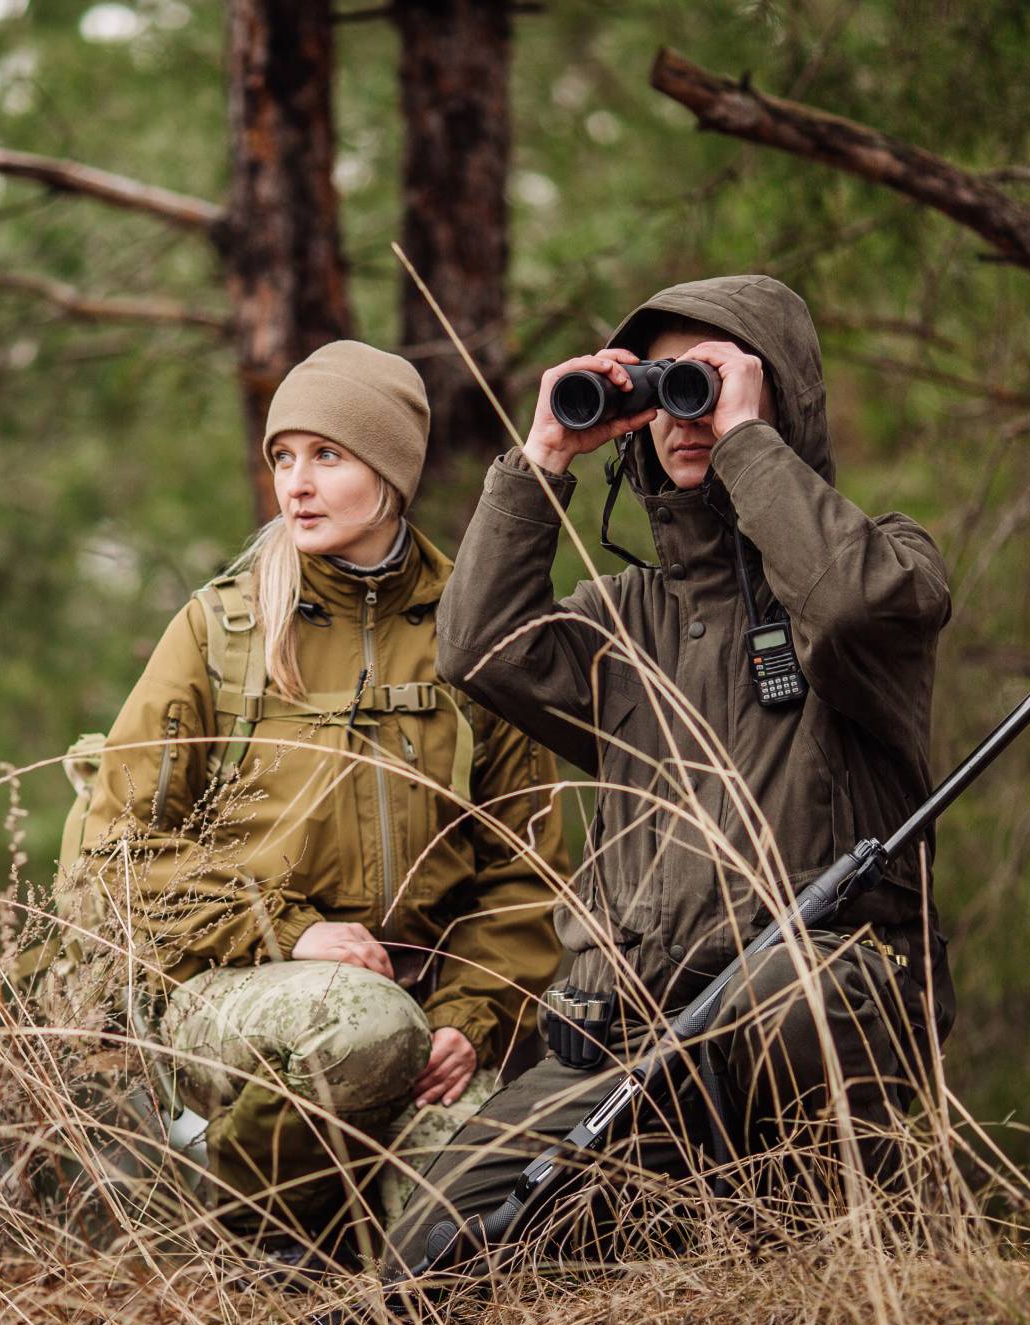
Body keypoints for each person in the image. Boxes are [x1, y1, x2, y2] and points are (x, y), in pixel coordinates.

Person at [387, 274, 955, 1273]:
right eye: (663, 389)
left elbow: (849, 606)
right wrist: (544, 458)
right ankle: (668, 1245)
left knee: (791, 987)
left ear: (779, 393)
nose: (680, 413)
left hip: (809, 1000)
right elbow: (474, 647)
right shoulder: (622, 620)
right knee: (440, 1242)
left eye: (709, 377)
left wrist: (743, 440)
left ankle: (851, 1271)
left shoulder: (881, 569)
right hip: (629, 1037)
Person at [79, 340, 567, 1265]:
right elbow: (115, 852)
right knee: (361, 1027)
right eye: (283, 458)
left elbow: (526, 870)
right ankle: (266, 1265)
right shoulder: (222, 628)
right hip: (225, 986)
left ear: (391, 471)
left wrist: (468, 1014)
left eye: (328, 455)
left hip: (422, 1009)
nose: (295, 484)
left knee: (478, 1205)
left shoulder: (473, 633)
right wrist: (287, 929)